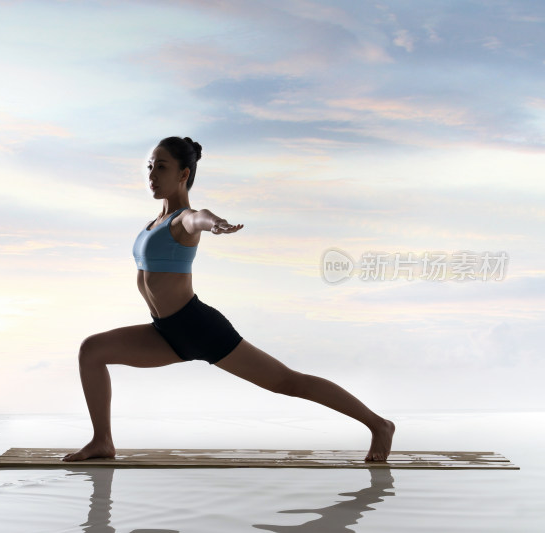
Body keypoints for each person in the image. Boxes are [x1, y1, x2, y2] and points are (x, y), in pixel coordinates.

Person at [62, 136, 395, 463]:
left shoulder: (182, 220)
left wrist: (215, 224)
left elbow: (200, 217)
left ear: (183, 175)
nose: (151, 175)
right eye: (149, 167)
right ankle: (102, 441)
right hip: (165, 333)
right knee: (92, 350)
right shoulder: (154, 223)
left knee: (287, 382)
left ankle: (379, 425)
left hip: (198, 327)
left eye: (161, 167)